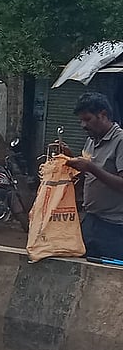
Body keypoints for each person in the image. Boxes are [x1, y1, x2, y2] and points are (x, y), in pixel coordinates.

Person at [66, 92, 123, 260]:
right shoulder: (92, 140)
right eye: (80, 121)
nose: (83, 125)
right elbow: (87, 175)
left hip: (113, 225)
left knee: (107, 276)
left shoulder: (120, 141)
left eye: (88, 119)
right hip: (91, 219)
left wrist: (91, 168)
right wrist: (69, 159)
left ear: (103, 115)